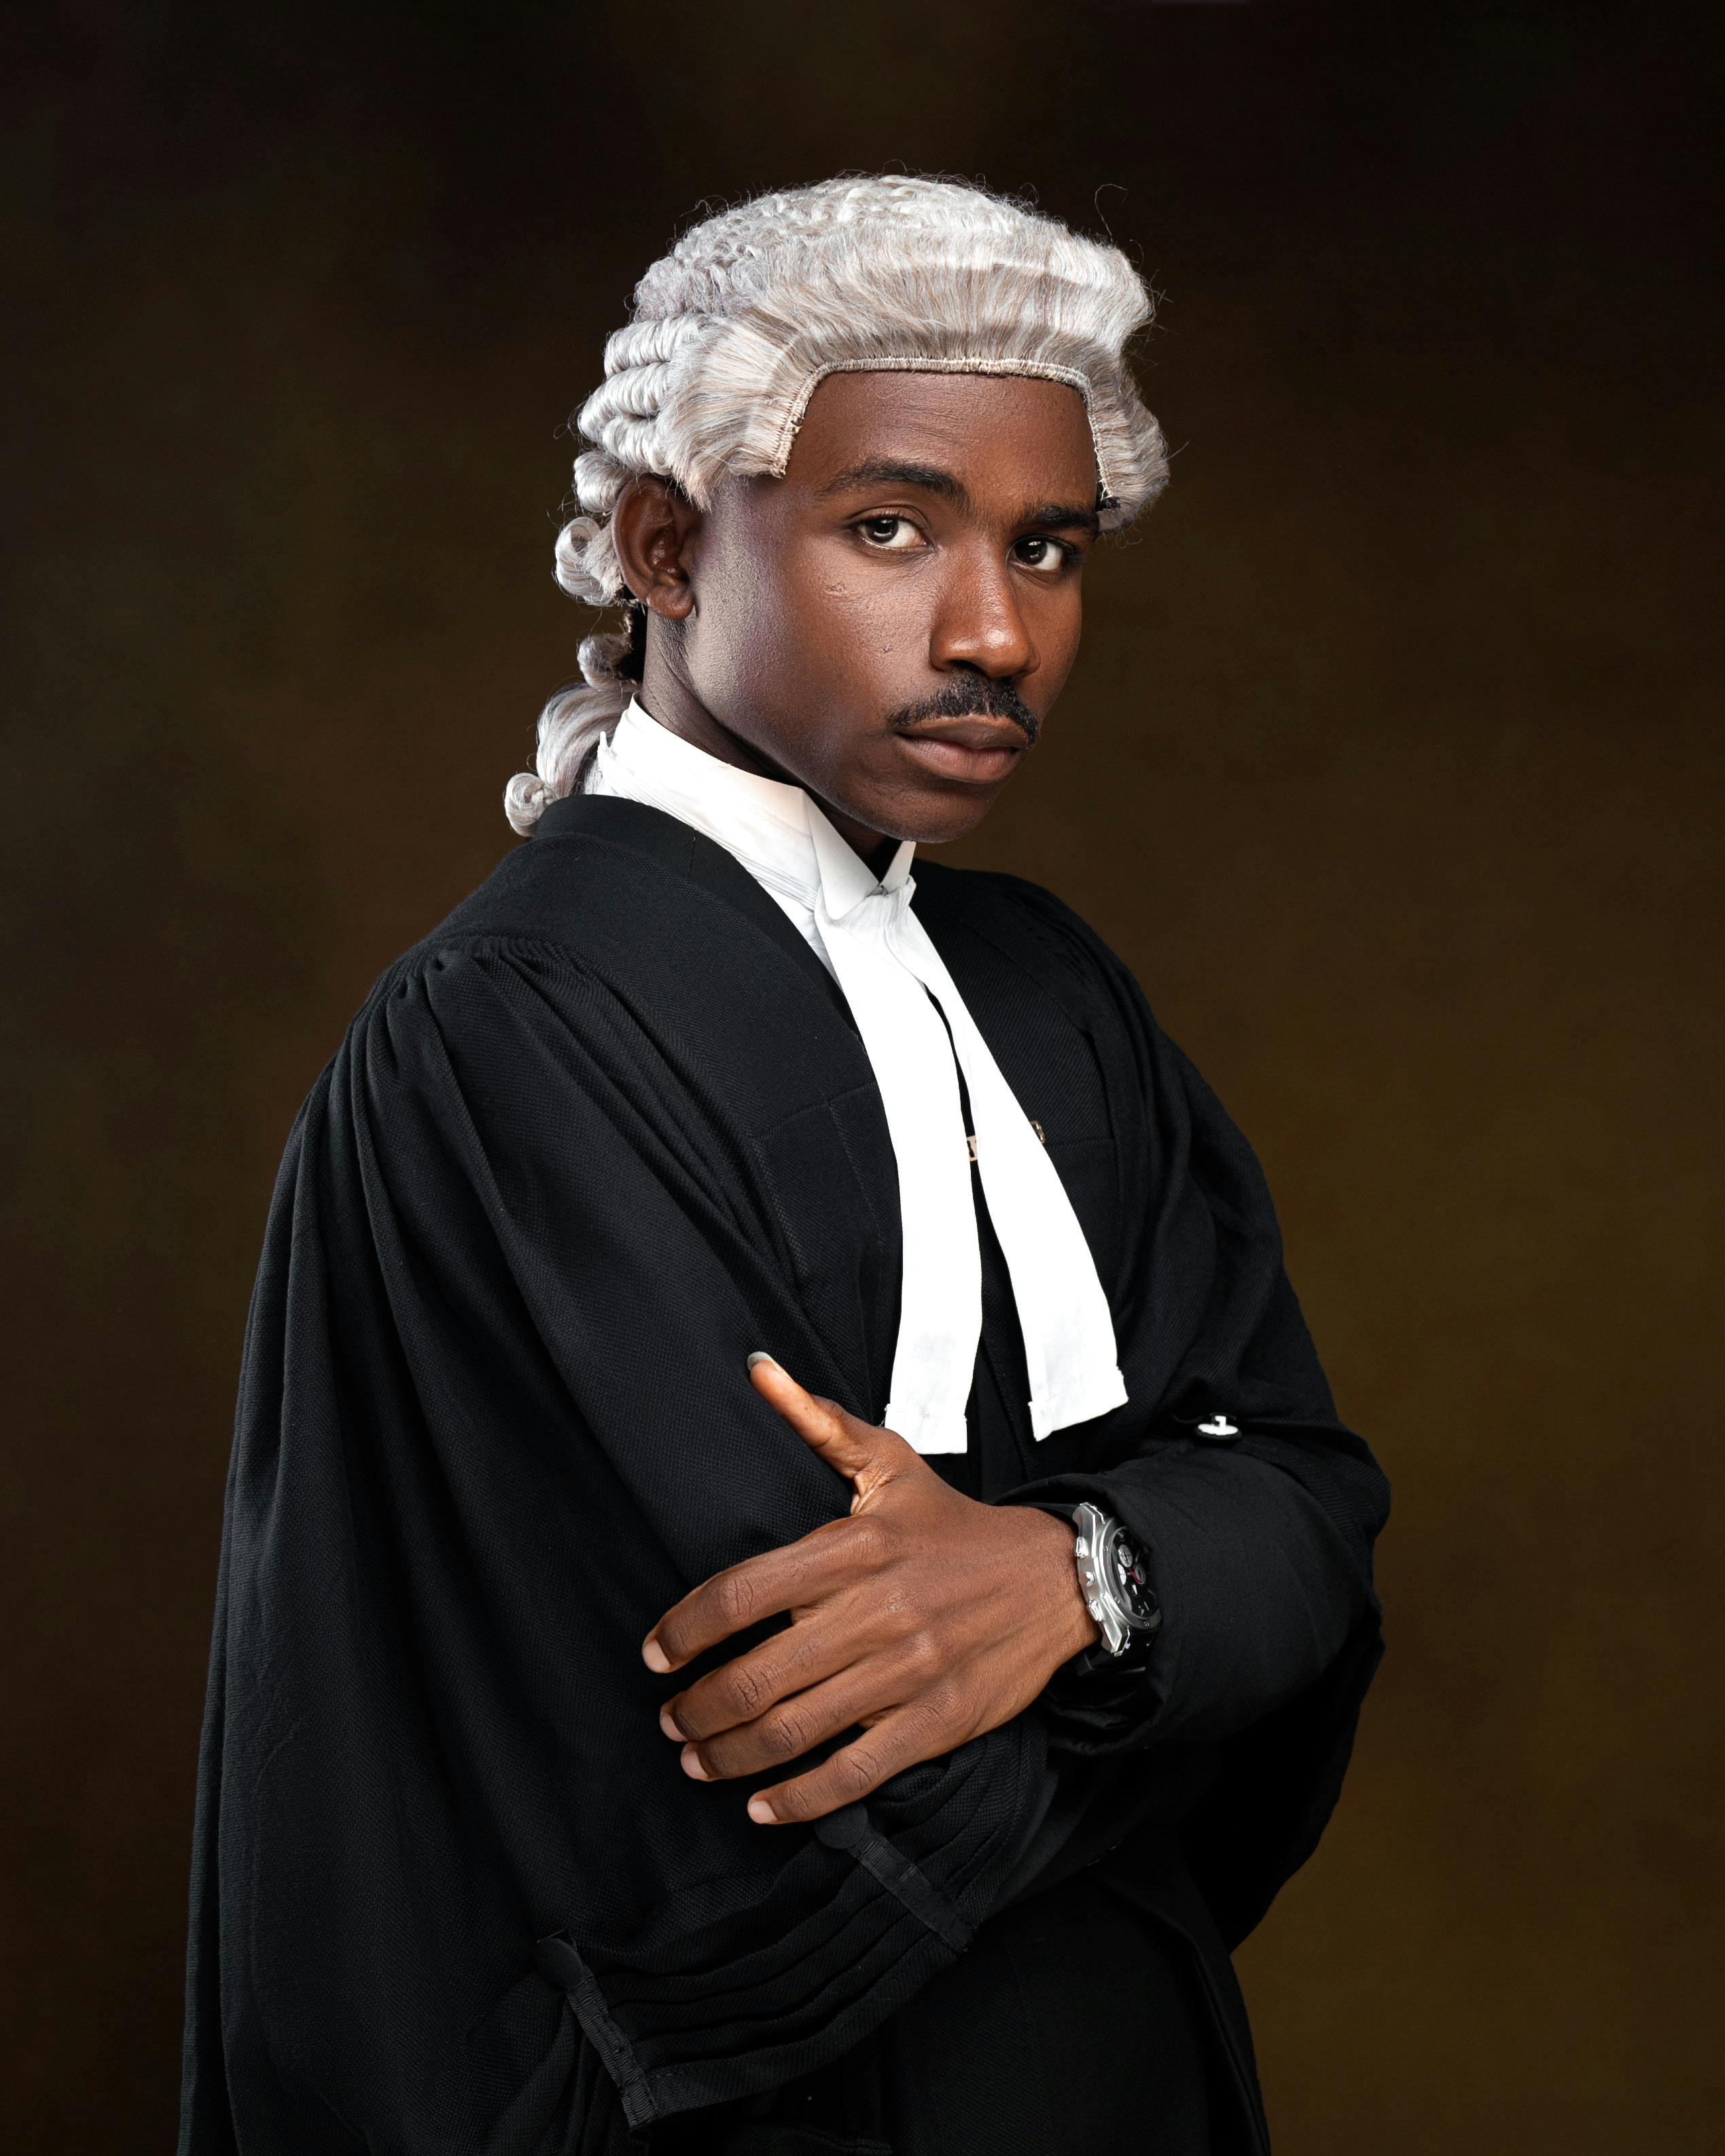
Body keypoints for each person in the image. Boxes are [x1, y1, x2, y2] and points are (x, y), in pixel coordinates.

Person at [179, 176, 1389, 2156]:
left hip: (1121, 2070)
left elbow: (1323, 1517)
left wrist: (1073, 1586)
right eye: (889, 527)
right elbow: (787, 1758)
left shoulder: (1044, 987)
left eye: (1051, 546)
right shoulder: (508, 1035)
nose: (994, 629)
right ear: (664, 542)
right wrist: (1176, 1608)